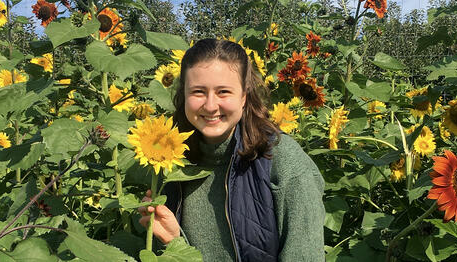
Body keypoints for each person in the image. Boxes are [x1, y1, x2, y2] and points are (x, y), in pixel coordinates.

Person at [138, 39, 325, 261]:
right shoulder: (171, 161)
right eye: (198, 91)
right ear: (184, 95)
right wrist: (174, 241)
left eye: (223, 92)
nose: (210, 105)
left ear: (244, 96)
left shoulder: (281, 158)